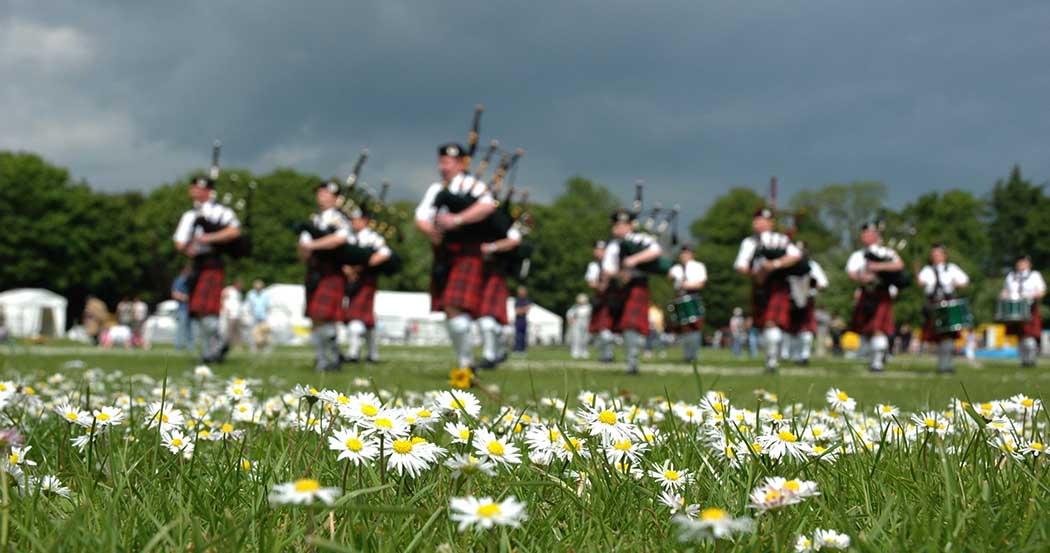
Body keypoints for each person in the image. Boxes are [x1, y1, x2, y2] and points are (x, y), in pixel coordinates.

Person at [415, 143, 497, 369]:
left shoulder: (473, 185)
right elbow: (421, 217)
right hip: (444, 253)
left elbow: (488, 207)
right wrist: (431, 230)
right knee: (449, 309)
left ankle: (466, 362)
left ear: (461, 163)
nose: (444, 167)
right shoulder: (435, 189)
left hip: (467, 252)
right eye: (441, 162)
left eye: (448, 162)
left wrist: (457, 220)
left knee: (453, 304)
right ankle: (466, 360)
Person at [173, 173, 242, 363]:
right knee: (199, 310)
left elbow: (234, 231)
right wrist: (189, 248)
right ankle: (211, 349)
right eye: (194, 188)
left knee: (208, 309)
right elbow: (179, 242)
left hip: (213, 263)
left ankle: (213, 350)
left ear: (210, 191)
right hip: (197, 264)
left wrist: (208, 238)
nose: (196, 191)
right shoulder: (189, 216)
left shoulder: (221, 212)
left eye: (202, 188)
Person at [733, 207, 803, 373]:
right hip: (760, 286)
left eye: (763, 220)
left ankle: (772, 361)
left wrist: (774, 264)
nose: (758, 223)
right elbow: (740, 266)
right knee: (765, 324)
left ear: (771, 223)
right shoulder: (749, 242)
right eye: (756, 220)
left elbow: (796, 256)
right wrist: (758, 274)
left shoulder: (781, 239)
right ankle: (770, 359)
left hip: (778, 286)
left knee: (773, 323)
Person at [601, 208, 663, 374]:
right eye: (617, 225)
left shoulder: (640, 239)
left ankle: (632, 362)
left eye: (623, 224)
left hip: (637, 285)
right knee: (610, 327)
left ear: (630, 225)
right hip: (618, 286)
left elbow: (656, 251)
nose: (619, 228)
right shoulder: (612, 245)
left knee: (631, 325)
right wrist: (619, 274)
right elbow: (607, 268)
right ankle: (611, 355)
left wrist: (633, 260)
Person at [298, 181, 352, 371]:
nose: (322, 196)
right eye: (320, 192)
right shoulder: (314, 219)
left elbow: (339, 239)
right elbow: (303, 247)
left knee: (322, 314)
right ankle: (323, 359)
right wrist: (305, 250)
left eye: (326, 193)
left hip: (332, 271)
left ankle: (333, 356)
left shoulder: (340, 219)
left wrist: (313, 245)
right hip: (314, 271)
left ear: (336, 198)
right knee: (314, 317)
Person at [846, 221, 904, 372]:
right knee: (869, 331)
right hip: (867, 293)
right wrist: (862, 277)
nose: (864, 236)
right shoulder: (858, 255)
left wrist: (878, 267)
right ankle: (876, 358)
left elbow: (899, 265)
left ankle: (877, 363)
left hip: (882, 293)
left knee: (878, 329)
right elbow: (851, 273)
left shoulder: (887, 252)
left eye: (868, 233)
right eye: (863, 233)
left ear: (876, 235)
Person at [342, 203, 392, 363]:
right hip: (350, 281)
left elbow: (385, 253)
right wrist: (347, 269)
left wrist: (361, 266)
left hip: (366, 281)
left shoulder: (373, 237)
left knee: (357, 318)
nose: (353, 222)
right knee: (365, 320)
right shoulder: (348, 236)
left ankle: (354, 353)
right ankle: (372, 354)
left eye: (356, 219)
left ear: (364, 220)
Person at [917, 244, 969, 373]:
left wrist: (958, 283)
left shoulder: (951, 268)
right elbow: (921, 283)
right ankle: (942, 365)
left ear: (944, 255)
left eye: (938, 254)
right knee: (938, 337)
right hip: (933, 304)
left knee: (949, 336)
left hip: (948, 303)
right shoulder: (927, 270)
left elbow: (964, 281)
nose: (935, 256)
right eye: (933, 254)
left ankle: (949, 365)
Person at [476, 227, 522, 369]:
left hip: (495, 275)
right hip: (479, 273)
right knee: (486, 320)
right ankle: (497, 352)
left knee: (488, 318)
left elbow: (515, 240)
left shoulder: (502, 222)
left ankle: (490, 355)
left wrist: (491, 247)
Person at [785, 242, 828, 366]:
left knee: (805, 328)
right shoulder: (786, 265)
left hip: (807, 299)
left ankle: (804, 355)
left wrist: (809, 287)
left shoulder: (812, 265)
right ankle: (793, 354)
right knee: (791, 329)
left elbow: (823, 283)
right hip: (790, 299)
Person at [1001, 254, 1046, 367]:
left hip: (1029, 307)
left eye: (1024, 262)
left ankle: (1031, 359)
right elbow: (1005, 291)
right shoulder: (1011, 276)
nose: (1021, 264)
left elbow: (1041, 291)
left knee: (1029, 335)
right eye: (1019, 262)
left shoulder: (1035, 275)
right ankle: (1023, 360)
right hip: (1014, 309)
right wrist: (1002, 298)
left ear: (1029, 264)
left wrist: (1031, 296)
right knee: (1020, 336)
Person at [667, 243, 707, 363]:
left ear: (691, 254)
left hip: (692, 296)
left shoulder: (698, 266)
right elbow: (669, 277)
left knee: (695, 326)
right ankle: (686, 354)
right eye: (682, 253)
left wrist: (687, 284)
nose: (684, 255)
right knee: (683, 328)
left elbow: (701, 283)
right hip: (679, 297)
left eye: (686, 253)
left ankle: (694, 355)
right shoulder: (677, 268)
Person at [586, 240, 614, 362]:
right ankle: (605, 354)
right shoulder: (593, 266)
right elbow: (591, 282)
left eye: (602, 250)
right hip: (601, 301)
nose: (599, 252)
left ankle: (608, 354)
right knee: (601, 329)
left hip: (614, 300)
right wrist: (600, 286)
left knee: (608, 330)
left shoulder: (613, 264)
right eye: (597, 250)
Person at [172, 267, 194, 351]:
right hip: (182, 309)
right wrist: (185, 297)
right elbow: (174, 294)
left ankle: (190, 348)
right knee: (180, 329)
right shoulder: (179, 281)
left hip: (190, 309)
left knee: (190, 330)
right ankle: (178, 347)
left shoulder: (190, 281)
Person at [246, 279, 271, 352]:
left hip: (264, 317)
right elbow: (248, 305)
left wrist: (268, 315)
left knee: (265, 333)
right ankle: (253, 347)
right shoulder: (250, 294)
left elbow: (268, 306)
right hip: (254, 317)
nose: (258, 288)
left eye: (259, 286)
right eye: (256, 286)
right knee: (253, 333)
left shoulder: (266, 294)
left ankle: (266, 348)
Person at [566, 293, 592, 359]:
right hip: (577, 323)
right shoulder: (575, 307)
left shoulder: (589, 307)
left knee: (585, 338)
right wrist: (571, 321)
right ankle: (575, 351)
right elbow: (569, 314)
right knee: (576, 337)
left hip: (586, 323)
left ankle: (584, 351)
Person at [513, 286, 532, 354]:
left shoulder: (526, 300)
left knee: (523, 336)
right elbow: (518, 312)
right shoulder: (517, 300)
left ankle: (522, 350)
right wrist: (525, 309)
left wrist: (523, 309)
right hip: (518, 321)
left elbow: (527, 310)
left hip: (524, 321)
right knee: (518, 336)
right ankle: (517, 350)